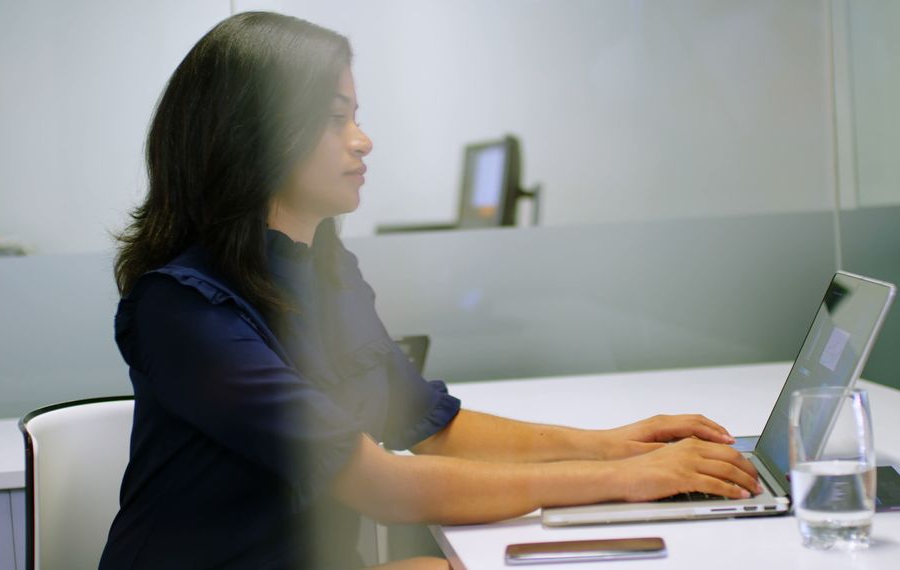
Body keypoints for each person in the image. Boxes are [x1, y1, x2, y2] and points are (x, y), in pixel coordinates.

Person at [99, 12, 760, 570]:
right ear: (253, 133)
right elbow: (379, 483)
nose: (363, 140)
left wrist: (623, 444)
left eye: (355, 115)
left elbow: (430, 427)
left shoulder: (321, 269)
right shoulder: (182, 307)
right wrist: (624, 482)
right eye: (334, 118)